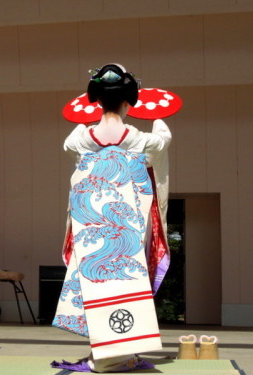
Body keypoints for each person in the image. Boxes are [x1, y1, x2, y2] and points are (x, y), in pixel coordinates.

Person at [52, 64, 171, 372]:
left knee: (94, 283)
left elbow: (71, 142)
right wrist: (158, 117)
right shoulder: (142, 140)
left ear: (96, 99)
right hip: (126, 228)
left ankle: (103, 354)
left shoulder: (80, 138)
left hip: (90, 225)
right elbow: (163, 139)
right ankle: (117, 357)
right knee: (124, 286)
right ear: (128, 100)